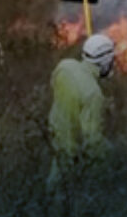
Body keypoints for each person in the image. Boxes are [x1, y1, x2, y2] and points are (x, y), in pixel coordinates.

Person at [47, 33, 116, 187]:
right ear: (104, 63)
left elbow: (54, 85)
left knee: (52, 185)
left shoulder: (65, 66)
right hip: (72, 152)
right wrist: (114, 155)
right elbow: (92, 141)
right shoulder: (93, 94)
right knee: (65, 192)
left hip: (54, 136)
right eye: (111, 61)